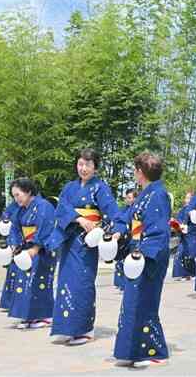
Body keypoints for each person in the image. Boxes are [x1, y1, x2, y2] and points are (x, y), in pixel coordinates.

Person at [47, 148, 120, 346]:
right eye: (80, 164)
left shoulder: (101, 188)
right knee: (65, 282)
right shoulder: (70, 187)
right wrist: (79, 219)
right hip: (70, 238)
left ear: (95, 167)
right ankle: (67, 328)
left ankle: (85, 329)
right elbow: (61, 208)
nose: (83, 168)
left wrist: (115, 229)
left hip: (88, 242)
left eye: (88, 164)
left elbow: (113, 211)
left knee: (83, 282)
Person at [111, 152, 171, 368]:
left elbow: (159, 231)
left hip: (148, 256)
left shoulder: (158, 195)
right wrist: (117, 233)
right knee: (133, 302)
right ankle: (132, 350)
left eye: (135, 170)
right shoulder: (144, 195)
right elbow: (125, 218)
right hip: (138, 254)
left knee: (145, 301)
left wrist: (142, 252)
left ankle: (155, 350)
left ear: (140, 172)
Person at [7, 178, 56, 329]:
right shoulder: (19, 210)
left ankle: (45, 316)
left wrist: (35, 248)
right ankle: (28, 316)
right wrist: (15, 245)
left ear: (28, 191)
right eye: (14, 196)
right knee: (23, 281)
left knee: (38, 282)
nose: (17, 198)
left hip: (42, 250)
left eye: (18, 194)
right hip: (25, 248)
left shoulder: (44, 206)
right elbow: (14, 229)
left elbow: (45, 227)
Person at [0, 200, 21, 311]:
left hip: (32, 243)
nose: (18, 197)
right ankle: (10, 302)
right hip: (16, 242)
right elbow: (8, 226)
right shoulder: (13, 207)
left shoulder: (41, 206)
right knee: (13, 271)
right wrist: (12, 243)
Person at [114, 188, 138, 291]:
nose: (127, 200)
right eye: (126, 198)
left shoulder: (136, 209)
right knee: (121, 261)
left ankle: (129, 285)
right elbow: (120, 220)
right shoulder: (123, 209)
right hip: (124, 239)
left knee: (132, 262)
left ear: (135, 198)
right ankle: (121, 284)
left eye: (130, 197)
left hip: (135, 239)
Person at [172, 191, 196, 281]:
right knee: (180, 253)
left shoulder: (195, 210)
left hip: (192, 235)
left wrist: (188, 228)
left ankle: (192, 273)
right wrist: (177, 225)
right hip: (183, 235)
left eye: (189, 198)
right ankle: (183, 274)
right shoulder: (182, 210)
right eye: (186, 198)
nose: (187, 200)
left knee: (191, 254)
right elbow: (178, 220)